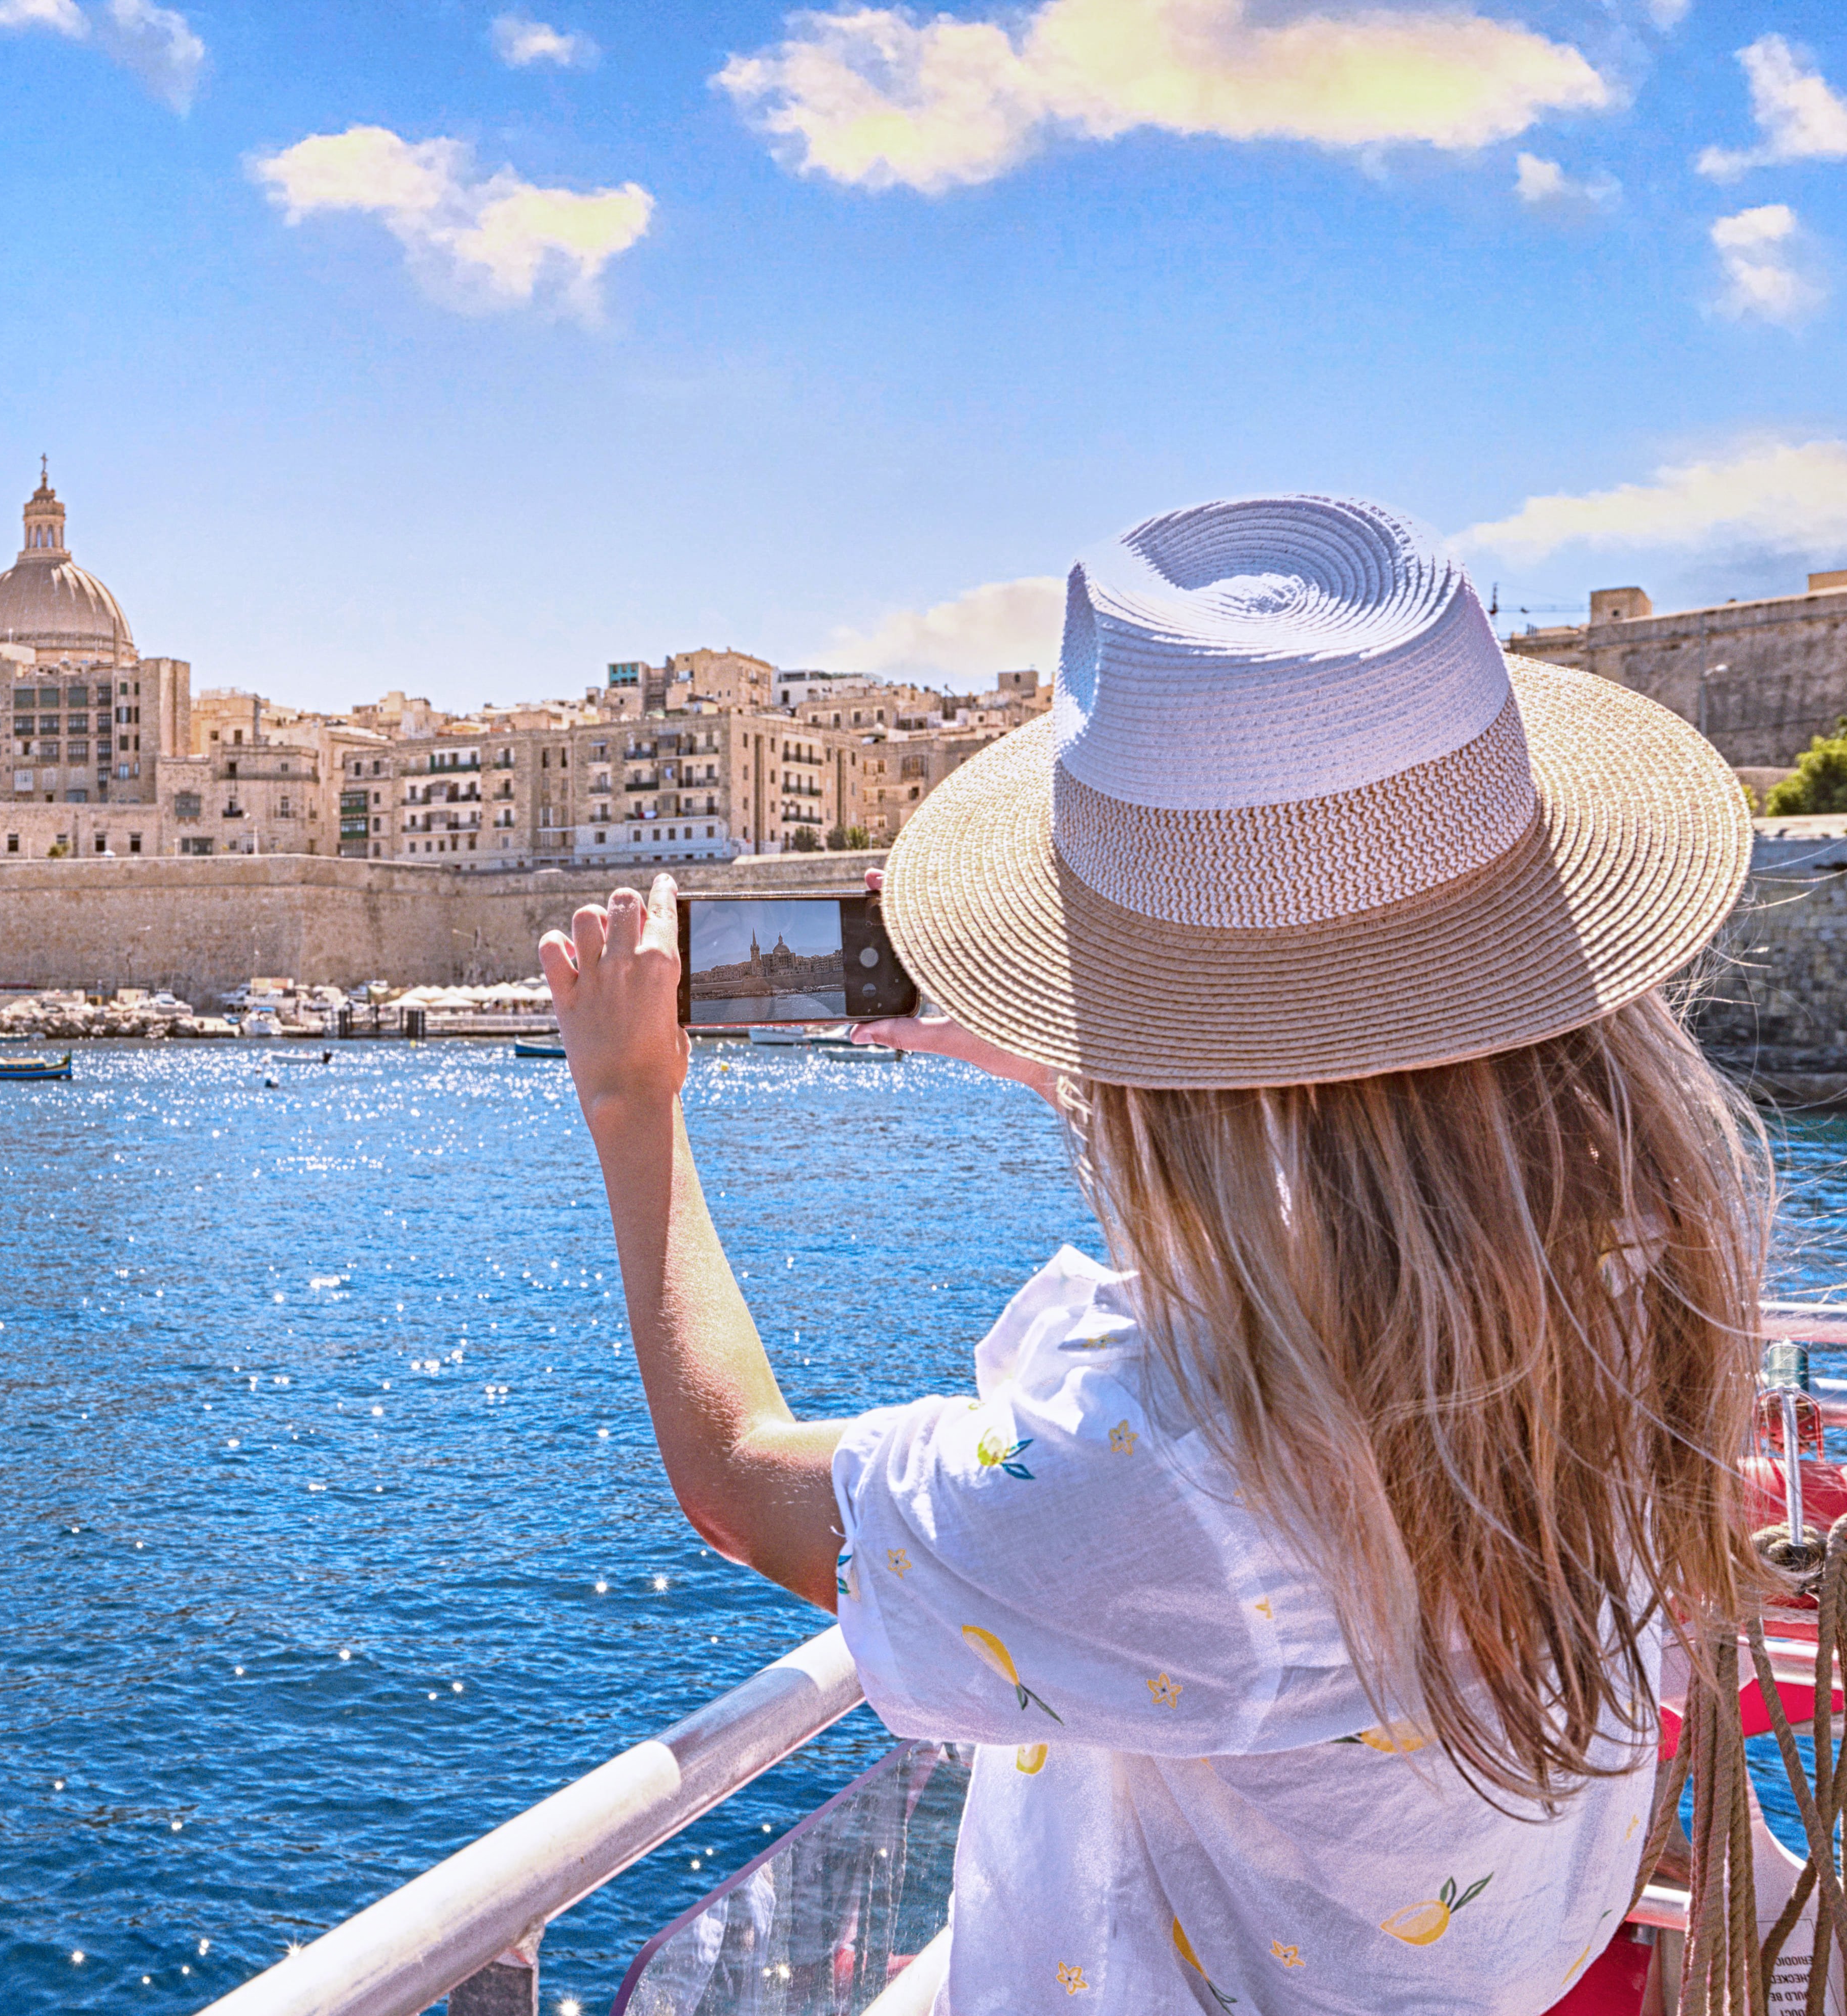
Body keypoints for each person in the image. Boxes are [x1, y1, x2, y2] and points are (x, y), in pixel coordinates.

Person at [539, 496, 1768, 2015]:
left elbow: (742, 1481)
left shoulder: (1181, 1476)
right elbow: (1362, 1167)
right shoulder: (1641, 1283)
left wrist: (629, 1103)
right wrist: (1095, 1053)